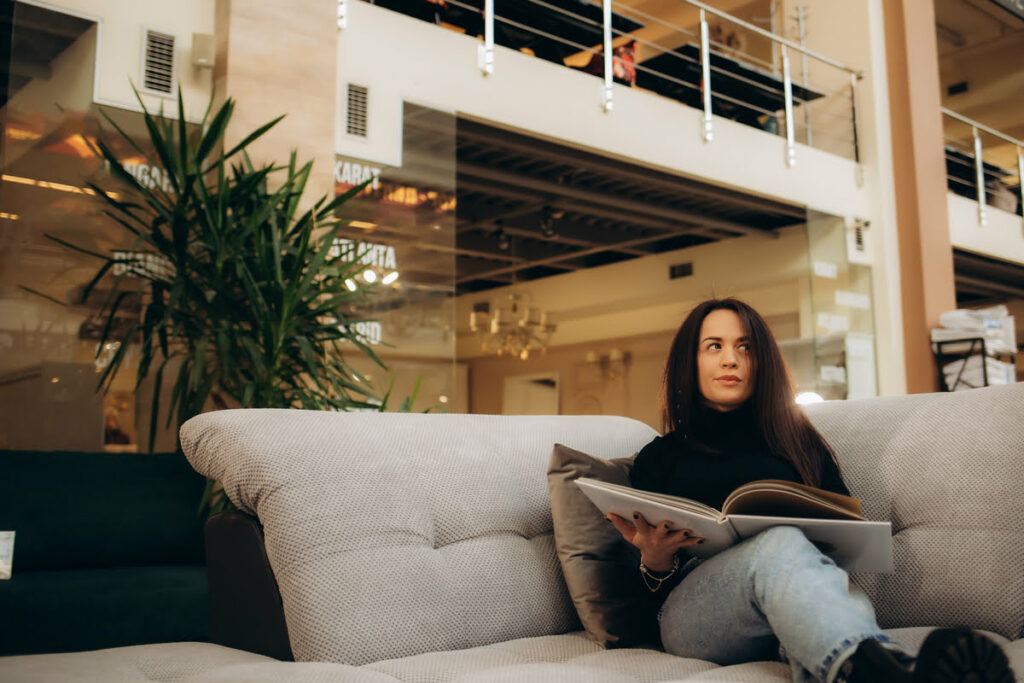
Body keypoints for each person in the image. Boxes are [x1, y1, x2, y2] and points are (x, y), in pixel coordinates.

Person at [606, 298, 1014, 683]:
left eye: (745, 348)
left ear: (762, 362)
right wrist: (655, 561)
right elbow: (631, 601)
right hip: (693, 617)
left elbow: (848, 528)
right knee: (780, 545)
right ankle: (886, 668)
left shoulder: (795, 438)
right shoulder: (660, 457)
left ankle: (884, 670)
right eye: (714, 346)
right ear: (689, 362)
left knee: (806, 582)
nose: (731, 359)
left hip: (797, 597)